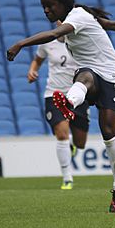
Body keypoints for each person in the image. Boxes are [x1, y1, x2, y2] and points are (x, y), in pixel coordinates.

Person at [7, 0, 115, 213]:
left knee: (109, 134)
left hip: (114, 77)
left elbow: (54, 34)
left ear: (63, 3)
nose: (46, 11)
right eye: (43, 7)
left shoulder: (77, 16)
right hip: (91, 74)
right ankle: (69, 102)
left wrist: (20, 44)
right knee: (84, 76)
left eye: (50, 6)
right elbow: (112, 24)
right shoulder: (82, 15)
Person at [28, 22, 89, 190]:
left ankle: (73, 146)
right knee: (62, 133)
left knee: (81, 142)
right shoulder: (47, 41)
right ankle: (67, 178)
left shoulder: (81, 42)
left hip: (77, 95)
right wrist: (32, 70)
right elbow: (37, 60)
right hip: (54, 95)